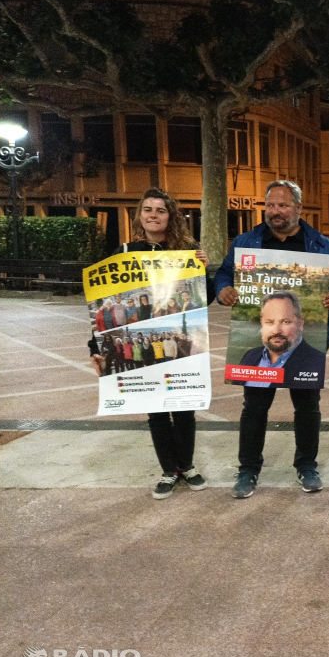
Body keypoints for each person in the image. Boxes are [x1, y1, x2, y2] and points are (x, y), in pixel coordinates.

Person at [215, 180, 329, 499]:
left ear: (298, 208)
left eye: (283, 205)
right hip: (258, 342)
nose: (276, 211)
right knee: (254, 407)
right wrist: (223, 289)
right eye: (271, 205)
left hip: (307, 345)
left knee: (307, 406)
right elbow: (223, 274)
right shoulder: (245, 242)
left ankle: (307, 466)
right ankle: (248, 470)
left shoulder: (323, 246)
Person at [88, 188, 211, 499]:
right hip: (144, 350)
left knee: (184, 408)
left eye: (161, 210)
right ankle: (168, 470)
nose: (154, 215)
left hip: (179, 350)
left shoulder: (186, 251)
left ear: (171, 217)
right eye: (148, 209)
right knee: (155, 410)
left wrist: (204, 270)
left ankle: (187, 466)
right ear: (139, 215)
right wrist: (95, 349)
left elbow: (203, 300)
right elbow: (100, 304)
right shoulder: (124, 253)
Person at [238, 292, 327, 388]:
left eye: (285, 322)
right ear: (262, 324)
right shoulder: (250, 356)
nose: (276, 330)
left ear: (300, 324)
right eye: (269, 322)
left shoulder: (317, 363)